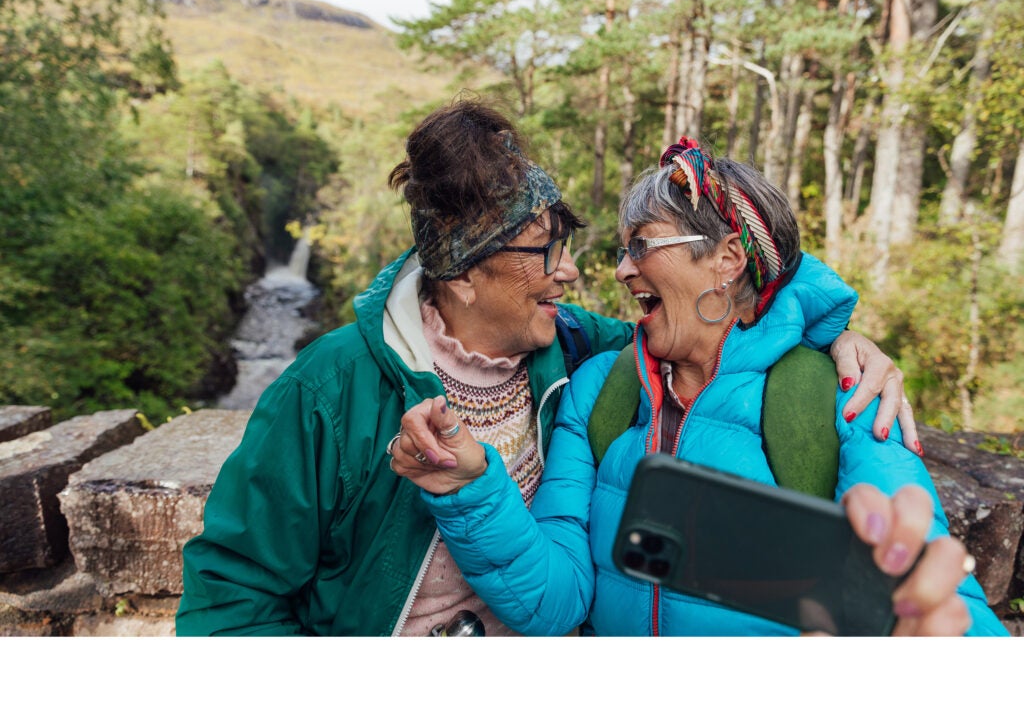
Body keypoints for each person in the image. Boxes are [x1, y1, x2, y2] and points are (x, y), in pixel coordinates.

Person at [176, 102, 916, 637]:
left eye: (566, 241)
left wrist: (836, 329)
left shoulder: (581, 355)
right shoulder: (330, 389)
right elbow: (231, 604)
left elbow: (738, 281)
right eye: (542, 250)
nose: (572, 271)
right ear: (463, 275)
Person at [391, 136, 1008, 637]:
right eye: (622, 248)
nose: (621, 268)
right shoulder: (600, 392)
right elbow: (554, 602)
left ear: (728, 260)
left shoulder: (840, 395)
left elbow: (937, 587)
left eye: (642, 245)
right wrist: (470, 490)